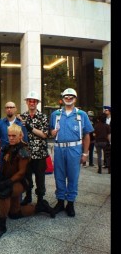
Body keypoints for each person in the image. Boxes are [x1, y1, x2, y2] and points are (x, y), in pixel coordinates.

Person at [0, 124, 54, 239]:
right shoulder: (8, 147)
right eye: (9, 136)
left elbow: (21, 172)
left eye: (14, 136)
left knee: (5, 192)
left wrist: (7, 183)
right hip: (12, 180)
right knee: (14, 214)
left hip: (23, 182)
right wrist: (0, 179)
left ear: (20, 136)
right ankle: (39, 207)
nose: (11, 138)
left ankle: (1, 226)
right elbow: (5, 167)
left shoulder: (24, 149)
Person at [49, 88, 94, 217]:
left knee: (73, 177)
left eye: (71, 97)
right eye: (66, 96)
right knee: (59, 176)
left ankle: (70, 204)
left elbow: (86, 135)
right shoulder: (55, 114)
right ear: (63, 98)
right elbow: (51, 130)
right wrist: (51, 133)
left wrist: (85, 154)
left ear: (75, 98)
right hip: (59, 148)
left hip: (75, 149)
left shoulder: (81, 114)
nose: (68, 99)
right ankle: (60, 202)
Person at [19, 90, 49, 206]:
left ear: (37, 103)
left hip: (39, 153)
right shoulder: (22, 116)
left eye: (34, 101)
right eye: (30, 101)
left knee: (40, 178)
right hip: (26, 153)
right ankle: (28, 196)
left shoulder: (43, 117)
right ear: (27, 102)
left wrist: (29, 127)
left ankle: (40, 199)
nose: (32, 103)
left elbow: (44, 134)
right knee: (27, 177)